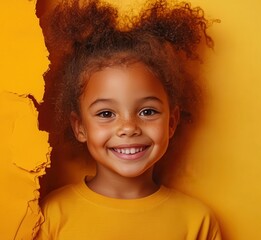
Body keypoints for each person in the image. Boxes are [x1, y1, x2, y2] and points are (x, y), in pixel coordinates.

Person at [36, 0, 221, 239]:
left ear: (172, 122)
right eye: (106, 114)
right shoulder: (53, 215)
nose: (129, 127)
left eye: (147, 112)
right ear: (80, 127)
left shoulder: (197, 221)